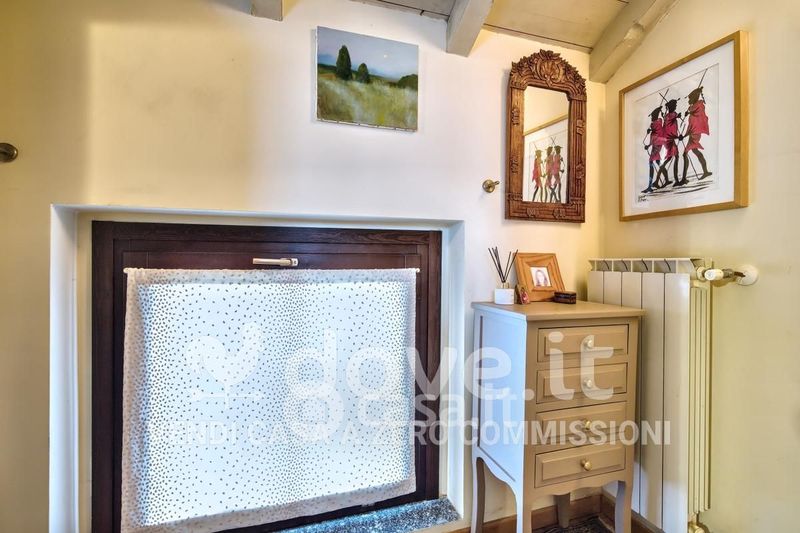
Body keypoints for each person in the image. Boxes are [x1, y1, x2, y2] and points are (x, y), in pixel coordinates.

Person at [680, 87, 712, 184]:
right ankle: (705, 171)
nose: (689, 100)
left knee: (686, 153)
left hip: (695, 134)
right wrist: (685, 135)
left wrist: (685, 135)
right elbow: (691, 123)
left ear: (694, 98)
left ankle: (684, 178)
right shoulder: (694, 108)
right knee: (695, 151)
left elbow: (693, 122)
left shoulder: (698, 106)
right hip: (693, 133)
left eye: (690, 98)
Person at [657, 99, 680, 188]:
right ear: (671, 106)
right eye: (675, 105)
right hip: (670, 140)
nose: (676, 106)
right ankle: (676, 180)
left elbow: (670, 123)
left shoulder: (668, 116)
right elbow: (670, 125)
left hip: (668, 140)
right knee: (676, 157)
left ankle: (657, 179)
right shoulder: (670, 116)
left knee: (670, 158)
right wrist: (676, 137)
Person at [642, 106, 665, 193]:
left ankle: (649, 186)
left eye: (652, 116)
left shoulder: (654, 124)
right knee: (658, 162)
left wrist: (649, 131)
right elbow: (655, 136)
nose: (651, 117)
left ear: (655, 116)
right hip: (657, 145)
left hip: (656, 145)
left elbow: (655, 136)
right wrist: (649, 145)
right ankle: (666, 179)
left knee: (651, 162)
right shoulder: (659, 122)